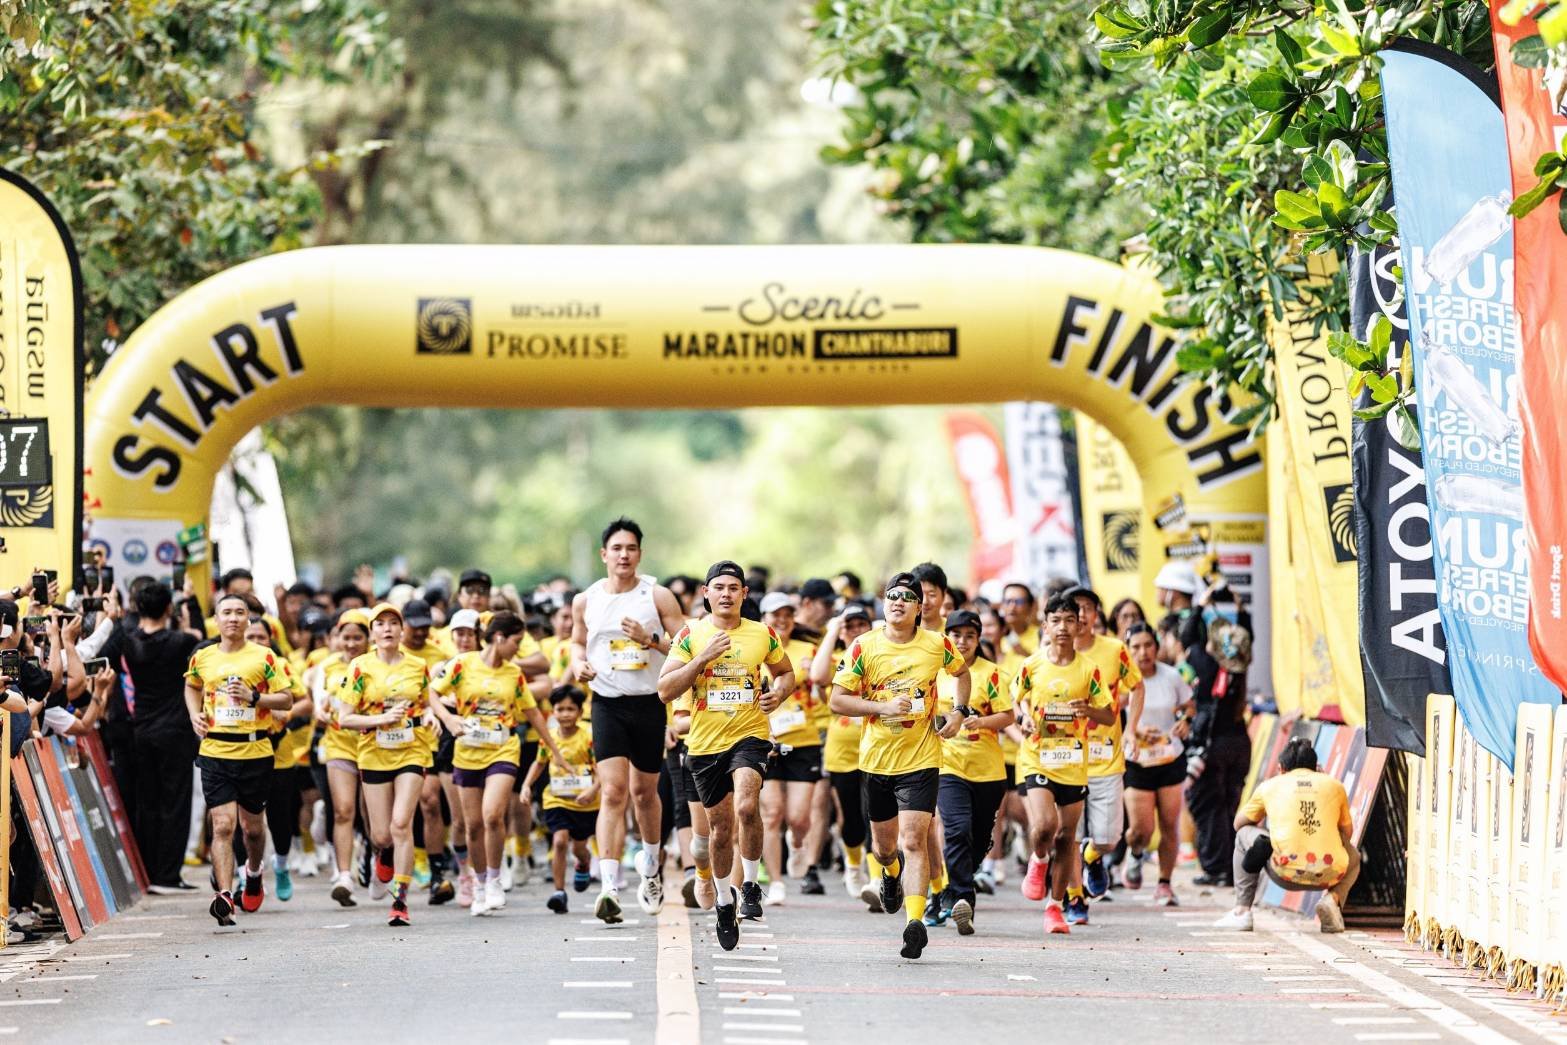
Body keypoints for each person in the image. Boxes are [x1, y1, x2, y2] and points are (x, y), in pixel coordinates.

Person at [829, 572, 970, 961]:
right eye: (892, 596)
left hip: (922, 757)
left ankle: (914, 922)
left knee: (914, 840)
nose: (898, 602)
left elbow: (962, 673)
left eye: (908, 597)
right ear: (884, 604)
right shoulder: (864, 646)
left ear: (920, 608)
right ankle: (889, 874)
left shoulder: (937, 645)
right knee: (886, 848)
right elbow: (838, 701)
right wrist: (881, 708)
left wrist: (958, 712)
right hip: (876, 760)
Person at [658, 561, 794, 951]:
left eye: (734, 588)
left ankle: (750, 884)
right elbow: (665, 690)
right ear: (706, 593)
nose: (726, 594)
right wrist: (701, 659)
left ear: (744, 594)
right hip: (704, 744)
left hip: (749, 735)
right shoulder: (690, 634)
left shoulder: (762, 634)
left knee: (748, 806)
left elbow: (785, 674)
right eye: (719, 587)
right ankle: (722, 900)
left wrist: (779, 693)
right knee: (719, 830)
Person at [570, 518, 687, 922]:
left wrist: (649, 639)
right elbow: (574, 641)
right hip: (606, 702)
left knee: (643, 793)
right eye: (617, 548)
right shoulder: (586, 600)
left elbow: (687, 645)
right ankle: (609, 886)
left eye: (631, 548)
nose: (624, 555)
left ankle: (651, 867)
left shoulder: (657, 596)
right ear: (604, 554)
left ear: (640, 553)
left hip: (649, 703)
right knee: (613, 792)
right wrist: (577, 664)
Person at [430, 611, 566, 916]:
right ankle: (479, 884)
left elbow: (532, 714)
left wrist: (554, 750)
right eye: (516, 642)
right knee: (472, 825)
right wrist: (449, 718)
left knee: (492, 815)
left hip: (503, 749)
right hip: (467, 751)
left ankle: (494, 879)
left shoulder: (514, 674)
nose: (518, 649)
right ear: (499, 637)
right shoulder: (462, 664)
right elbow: (431, 693)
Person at [339, 603, 463, 927]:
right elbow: (344, 717)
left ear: (402, 630)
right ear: (372, 633)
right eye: (380, 624)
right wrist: (382, 718)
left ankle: (400, 900)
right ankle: (382, 855)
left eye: (393, 623)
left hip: (412, 750)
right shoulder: (359, 667)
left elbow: (427, 701)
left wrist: (437, 717)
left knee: (400, 825)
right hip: (373, 752)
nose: (388, 629)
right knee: (382, 835)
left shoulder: (418, 665)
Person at [1011, 592, 1114, 938]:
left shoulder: (1089, 670)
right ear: (1046, 625)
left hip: (1073, 760)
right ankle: (1038, 860)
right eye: (1056, 620)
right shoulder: (1031, 665)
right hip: (1037, 756)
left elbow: (1109, 712)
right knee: (1044, 826)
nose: (1064, 627)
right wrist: (1023, 718)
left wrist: (1088, 711)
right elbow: (1014, 703)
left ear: (1080, 624)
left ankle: (1055, 907)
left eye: (1070, 620)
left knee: (1068, 837)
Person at [185, 592, 291, 926]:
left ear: (249, 619)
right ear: (216, 620)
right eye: (226, 612)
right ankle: (225, 896)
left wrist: (255, 697)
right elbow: (191, 687)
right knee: (223, 825)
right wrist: (193, 715)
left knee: (254, 830)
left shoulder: (264, 657)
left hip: (256, 750)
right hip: (215, 750)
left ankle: (255, 872)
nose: (233, 618)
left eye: (239, 612)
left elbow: (287, 700)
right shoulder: (202, 656)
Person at [1213, 737, 1361, 933]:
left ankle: (1242, 911)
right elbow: (1348, 834)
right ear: (1316, 767)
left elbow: (1238, 823)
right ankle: (1332, 901)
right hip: (1330, 873)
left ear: (1281, 768)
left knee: (1244, 836)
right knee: (1354, 856)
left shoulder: (1270, 786)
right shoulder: (1335, 786)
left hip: (1284, 872)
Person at [115, 582, 203, 894]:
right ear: (169, 608)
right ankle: (168, 875)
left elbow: (116, 638)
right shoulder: (181, 642)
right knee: (175, 802)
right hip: (175, 730)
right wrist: (190, 604)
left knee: (147, 802)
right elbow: (202, 641)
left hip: (141, 729)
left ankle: (149, 873)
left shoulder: (128, 642)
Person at [932, 609, 1013, 935]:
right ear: (947, 637)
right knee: (956, 830)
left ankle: (959, 883)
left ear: (979, 639)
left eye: (970, 636)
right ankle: (963, 897)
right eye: (956, 635)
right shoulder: (935, 671)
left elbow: (1008, 716)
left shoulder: (993, 674)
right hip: (947, 765)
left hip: (989, 770)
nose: (962, 641)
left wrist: (982, 721)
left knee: (978, 838)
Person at [1067, 585, 1142, 918]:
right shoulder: (1053, 654)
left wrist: (1131, 729)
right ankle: (1073, 899)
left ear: (1097, 615)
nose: (1081, 616)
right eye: (1074, 610)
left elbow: (1137, 687)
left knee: (1109, 838)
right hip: (1064, 759)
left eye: (1087, 609)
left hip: (1106, 756)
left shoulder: (1115, 650)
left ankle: (1093, 857)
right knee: (1068, 835)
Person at [1121, 622, 1192, 905]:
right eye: (1136, 647)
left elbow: (1189, 706)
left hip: (1169, 757)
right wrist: (1133, 732)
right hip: (1136, 760)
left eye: (1148, 645)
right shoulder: (1122, 680)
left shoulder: (1172, 676)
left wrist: (1185, 721)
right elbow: (1109, 715)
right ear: (1127, 650)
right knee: (1141, 830)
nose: (1143, 652)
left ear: (1157, 646)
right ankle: (1135, 853)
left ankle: (1164, 883)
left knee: (1169, 823)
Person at [758, 591, 822, 905]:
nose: (781, 621)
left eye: (787, 615)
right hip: (764, 740)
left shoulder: (809, 649)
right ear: (763, 619)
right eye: (774, 615)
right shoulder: (753, 650)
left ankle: (796, 842)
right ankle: (777, 881)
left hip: (804, 739)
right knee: (771, 814)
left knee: (797, 817)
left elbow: (822, 683)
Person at [810, 601, 873, 901]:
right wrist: (834, 629)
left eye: (862, 624)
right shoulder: (837, 659)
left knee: (876, 812)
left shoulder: (878, 657)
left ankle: (878, 877)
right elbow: (818, 677)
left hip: (878, 748)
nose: (857, 630)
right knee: (851, 816)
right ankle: (853, 863)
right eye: (851, 625)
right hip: (842, 752)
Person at [521, 686, 600, 914]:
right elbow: (539, 763)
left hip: (585, 802)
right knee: (559, 841)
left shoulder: (588, 736)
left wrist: (593, 790)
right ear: (552, 711)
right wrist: (527, 785)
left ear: (579, 711)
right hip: (556, 800)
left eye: (570, 709)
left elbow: (601, 770)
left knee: (579, 847)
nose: (565, 714)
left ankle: (583, 863)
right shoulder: (549, 736)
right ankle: (559, 892)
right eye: (560, 709)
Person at [315, 609, 371, 907]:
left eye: (357, 638)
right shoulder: (326, 667)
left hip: (375, 746)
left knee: (372, 817)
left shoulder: (376, 665)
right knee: (343, 810)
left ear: (368, 639)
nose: (350, 644)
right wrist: (321, 713)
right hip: (339, 745)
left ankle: (373, 859)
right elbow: (318, 706)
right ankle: (344, 875)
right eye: (345, 637)